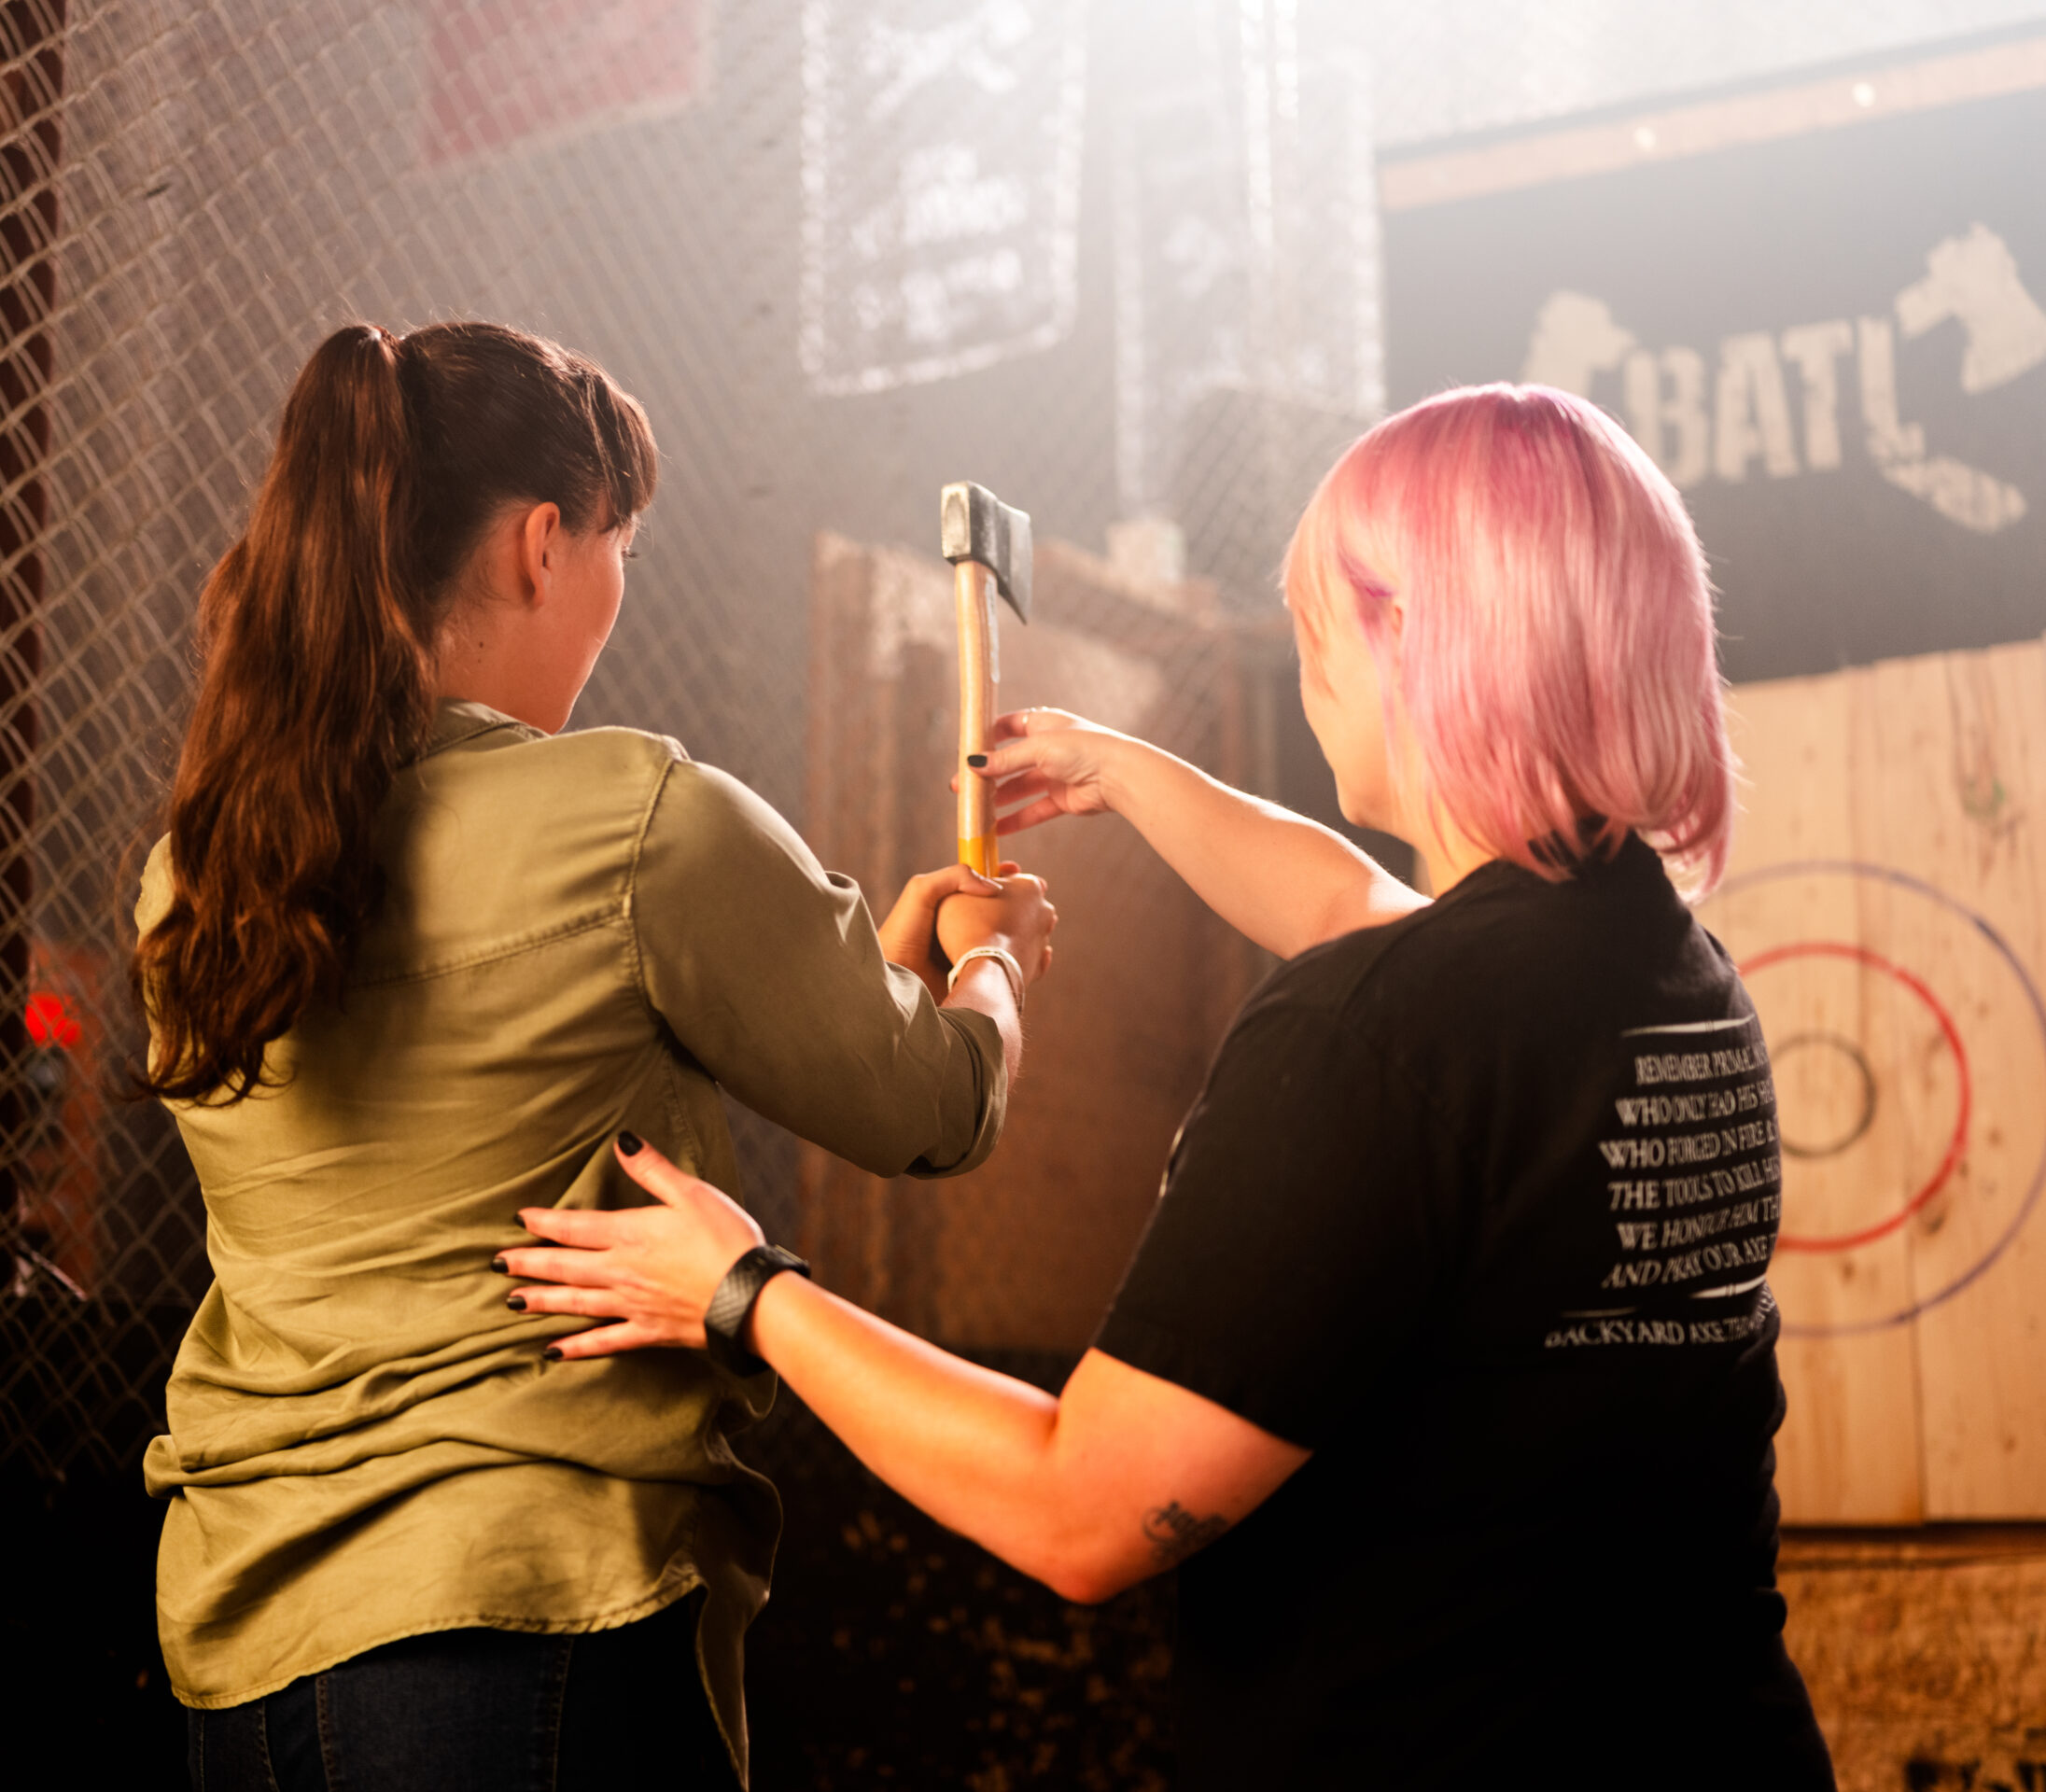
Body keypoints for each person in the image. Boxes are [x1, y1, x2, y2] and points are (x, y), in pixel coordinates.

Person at [507, 385, 1837, 1788]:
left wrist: (742, 1292)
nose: (1310, 673)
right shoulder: (1660, 972)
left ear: (1407, 639)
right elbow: (1356, 905)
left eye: (1320, 631)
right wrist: (1116, 770)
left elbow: (1081, 1510)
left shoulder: (1363, 1038)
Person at [131, 319, 1057, 1791]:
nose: (618, 587)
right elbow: (932, 1103)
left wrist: (864, 970)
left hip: (244, 1660)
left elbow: (507, 1062)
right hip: (535, 1627)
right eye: (619, 543)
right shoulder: (633, 815)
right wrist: (990, 963)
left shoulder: (202, 870)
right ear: (543, 544)